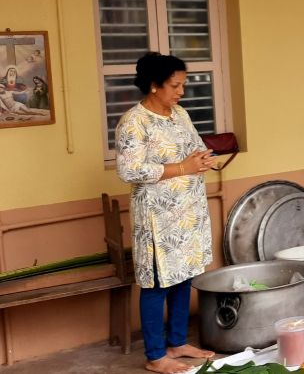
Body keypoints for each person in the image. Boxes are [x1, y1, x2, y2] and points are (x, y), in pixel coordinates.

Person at [114, 52, 216, 374]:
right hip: (157, 219)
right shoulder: (134, 122)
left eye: (183, 84)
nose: (182, 91)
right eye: (175, 86)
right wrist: (183, 168)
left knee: (183, 277)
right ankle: (156, 356)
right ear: (154, 85)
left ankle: (177, 342)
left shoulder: (180, 114)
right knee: (157, 284)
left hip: (187, 213)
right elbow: (129, 170)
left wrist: (203, 158)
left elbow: (194, 146)